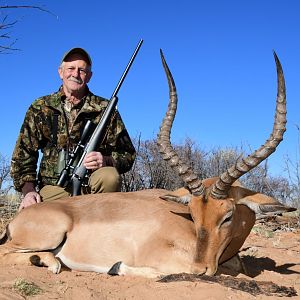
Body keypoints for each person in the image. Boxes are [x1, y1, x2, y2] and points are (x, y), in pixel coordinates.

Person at [11, 47, 136, 210]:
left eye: (82, 70)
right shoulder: (41, 107)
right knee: (31, 217)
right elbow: (23, 155)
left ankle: (100, 226)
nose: (75, 74)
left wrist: (105, 160)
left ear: (89, 76)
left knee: (109, 176)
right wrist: (28, 191)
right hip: (54, 188)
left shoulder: (105, 108)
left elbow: (128, 154)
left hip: (94, 189)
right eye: (70, 68)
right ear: (60, 72)